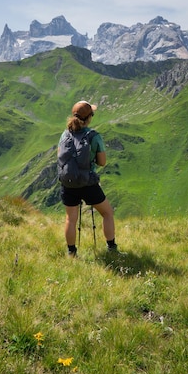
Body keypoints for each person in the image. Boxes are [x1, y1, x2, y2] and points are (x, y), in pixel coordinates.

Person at [58, 100, 118, 257]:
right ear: (89, 117)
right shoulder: (94, 136)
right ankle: (111, 248)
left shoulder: (65, 134)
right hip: (88, 183)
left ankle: (71, 253)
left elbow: (60, 156)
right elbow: (102, 162)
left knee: (70, 219)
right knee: (107, 213)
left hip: (68, 183)